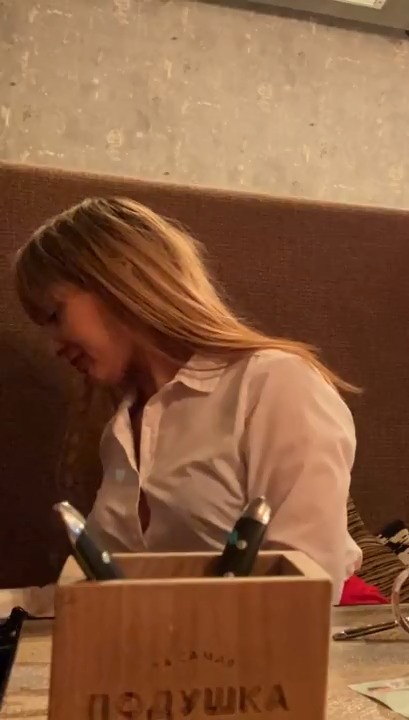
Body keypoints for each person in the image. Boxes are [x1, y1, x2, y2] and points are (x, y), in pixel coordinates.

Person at [5, 197, 361, 608]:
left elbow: (307, 585)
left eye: (54, 315)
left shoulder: (273, 384)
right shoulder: (119, 430)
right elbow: (102, 598)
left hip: (302, 637)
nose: (53, 346)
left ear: (119, 280)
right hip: (181, 641)